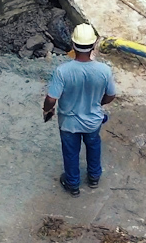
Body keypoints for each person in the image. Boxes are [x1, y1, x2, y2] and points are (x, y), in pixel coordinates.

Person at [43, 24, 117, 197]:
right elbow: (111, 95)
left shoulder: (62, 71)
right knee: (93, 147)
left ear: (73, 44)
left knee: (70, 153)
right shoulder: (104, 70)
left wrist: (47, 110)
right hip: (93, 121)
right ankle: (94, 178)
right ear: (93, 45)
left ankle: (73, 184)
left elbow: (51, 99)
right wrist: (98, 104)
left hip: (69, 123)